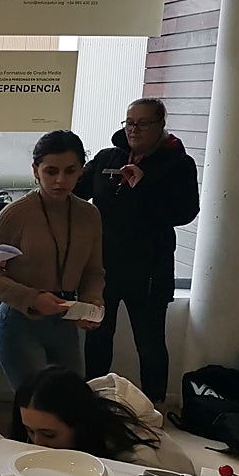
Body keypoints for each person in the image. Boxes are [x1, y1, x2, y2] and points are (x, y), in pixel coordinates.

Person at [75, 97, 200, 403]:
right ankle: (93, 404)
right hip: (103, 267)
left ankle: (154, 409)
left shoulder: (179, 165)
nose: (134, 129)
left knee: (150, 343)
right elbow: (76, 191)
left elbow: (185, 212)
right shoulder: (107, 157)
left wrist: (145, 188)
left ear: (161, 125)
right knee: (97, 337)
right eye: (130, 122)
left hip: (149, 270)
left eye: (143, 124)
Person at [0, 130, 104, 393]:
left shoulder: (89, 214)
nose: (60, 180)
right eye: (51, 171)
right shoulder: (15, 214)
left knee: (69, 401)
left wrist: (92, 301)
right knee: (35, 401)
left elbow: (93, 271)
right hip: (20, 321)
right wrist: (32, 298)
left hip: (66, 318)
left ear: (81, 170)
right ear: (36, 171)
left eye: (70, 171)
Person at [12, 366, 196, 474]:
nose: (37, 444)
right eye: (30, 431)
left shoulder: (138, 460)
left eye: (49, 435)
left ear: (79, 425)